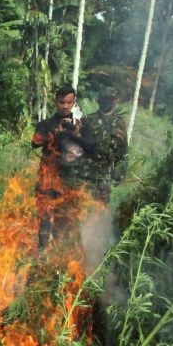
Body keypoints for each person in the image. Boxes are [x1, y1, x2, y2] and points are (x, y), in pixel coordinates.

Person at [30, 84, 85, 249]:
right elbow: (34, 142)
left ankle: (59, 254)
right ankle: (42, 251)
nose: (65, 106)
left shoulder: (79, 125)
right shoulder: (46, 124)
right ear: (56, 102)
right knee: (44, 216)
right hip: (47, 178)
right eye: (62, 102)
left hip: (68, 180)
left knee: (65, 218)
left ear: (74, 102)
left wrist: (77, 133)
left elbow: (87, 148)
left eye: (69, 102)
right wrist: (56, 132)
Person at [77, 91, 129, 201]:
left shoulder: (120, 123)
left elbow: (123, 148)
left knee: (101, 206)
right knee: (82, 204)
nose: (107, 102)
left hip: (106, 173)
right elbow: (78, 144)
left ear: (114, 102)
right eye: (104, 99)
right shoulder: (88, 120)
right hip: (87, 172)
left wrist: (121, 173)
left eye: (110, 99)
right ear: (98, 101)